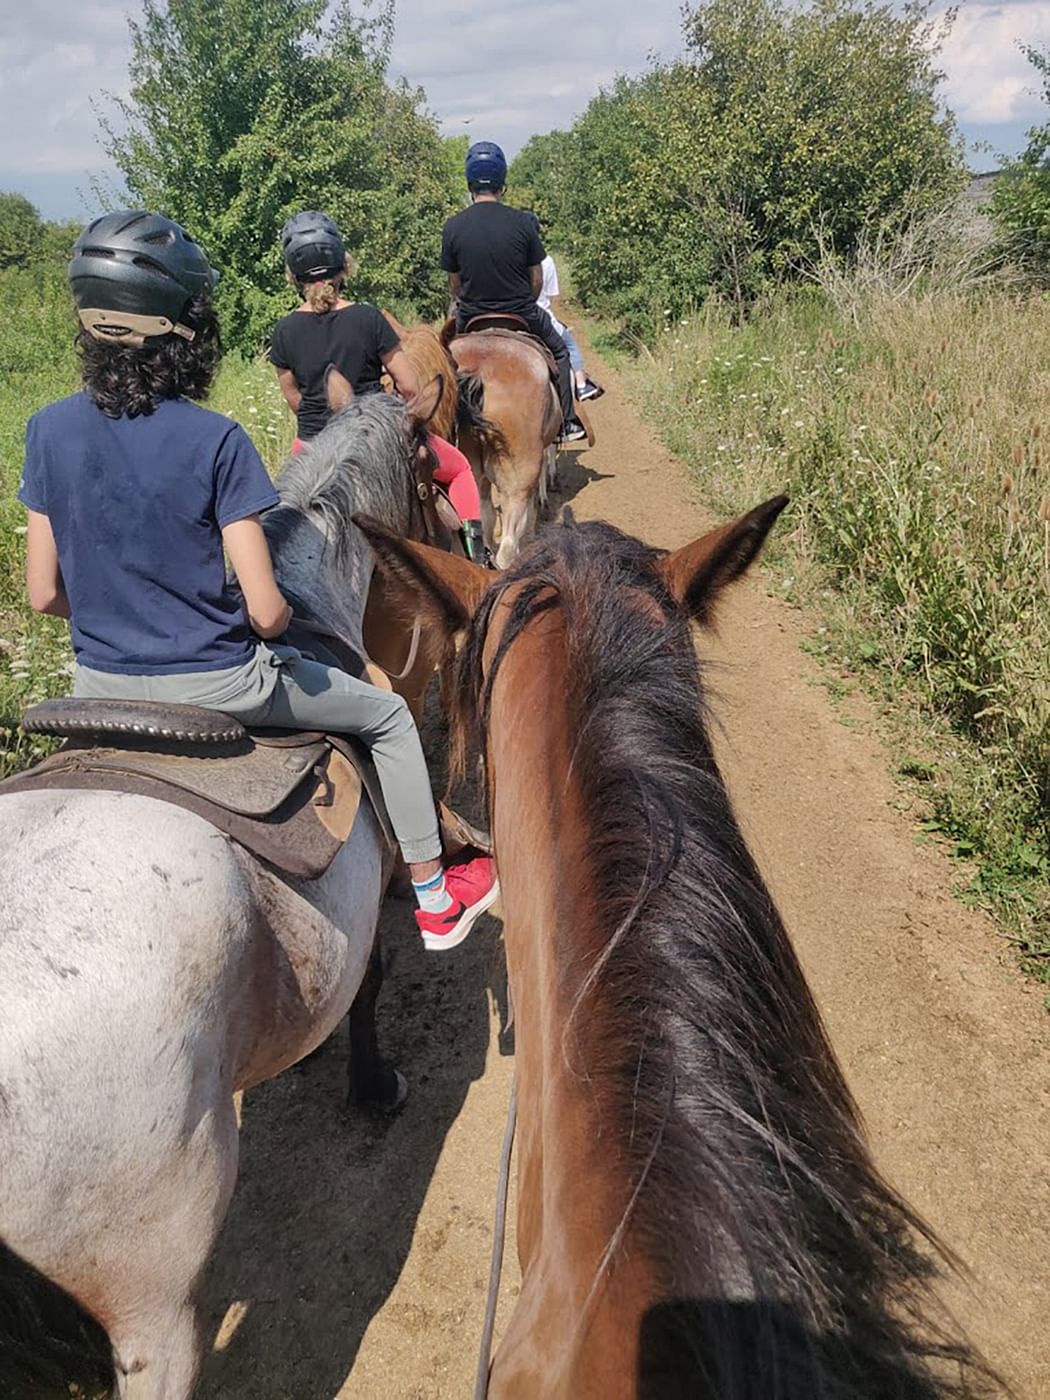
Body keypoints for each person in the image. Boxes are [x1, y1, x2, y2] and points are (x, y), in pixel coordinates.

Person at [19, 209, 497, 951]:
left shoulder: (46, 430)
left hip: (94, 683)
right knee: (389, 718)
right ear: (186, 329)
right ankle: (436, 896)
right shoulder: (217, 441)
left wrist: (127, 610)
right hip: (221, 686)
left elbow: (44, 593)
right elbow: (270, 613)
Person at [271, 211, 486, 562]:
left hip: (310, 446)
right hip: (372, 444)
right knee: (460, 468)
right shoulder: (369, 318)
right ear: (343, 266)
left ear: (293, 275)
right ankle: (477, 558)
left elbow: (295, 400)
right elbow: (410, 386)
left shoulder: (283, 331)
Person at [440, 142, 587, 443]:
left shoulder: (453, 227)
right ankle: (567, 423)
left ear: (470, 183)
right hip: (520, 311)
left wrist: (466, 304)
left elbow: (454, 284)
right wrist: (524, 303)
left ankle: (443, 430)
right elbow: (536, 278)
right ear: (501, 183)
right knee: (560, 352)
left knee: (441, 360)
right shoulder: (523, 223)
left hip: (470, 315)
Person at [533, 229, 603, 403]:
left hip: (507, 311)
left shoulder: (512, 257)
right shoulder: (546, 260)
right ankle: (581, 385)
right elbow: (551, 296)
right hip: (539, 313)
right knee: (568, 346)